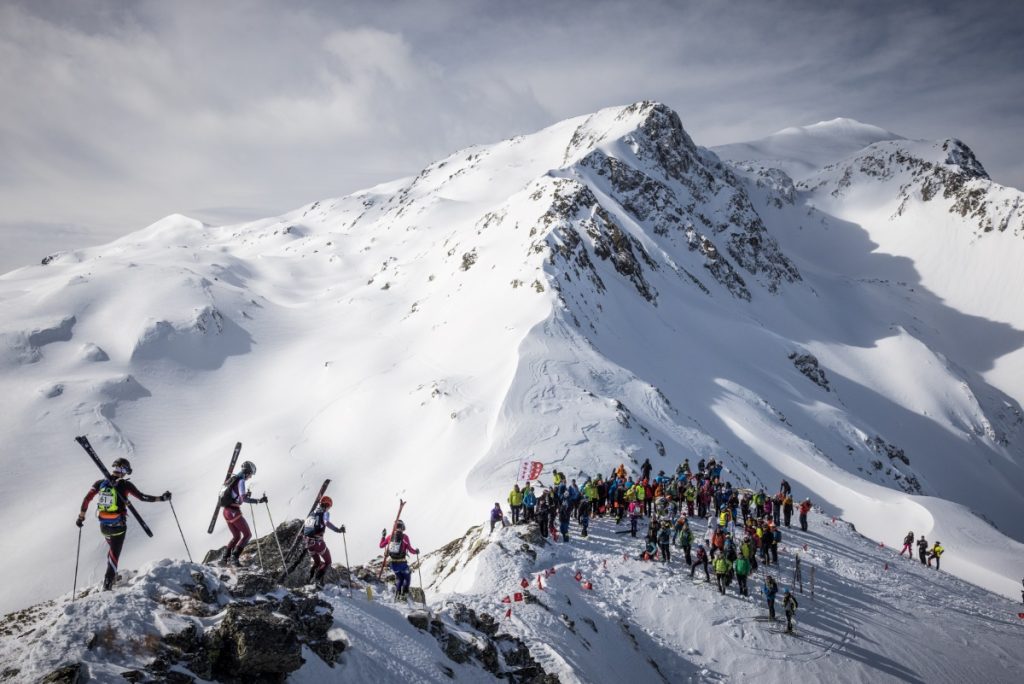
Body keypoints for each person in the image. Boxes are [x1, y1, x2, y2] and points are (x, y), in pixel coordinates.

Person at [77, 457, 170, 591]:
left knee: (111, 551)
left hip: (104, 526)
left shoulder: (100, 483)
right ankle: (107, 585)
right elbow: (142, 497)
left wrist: (81, 517)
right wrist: (161, 498)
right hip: (118, 527)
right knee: (114, 555)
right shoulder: (125, 485)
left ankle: (112, 575)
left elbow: (87, 499)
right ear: (124, 470)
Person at [218, 461, 266, 566]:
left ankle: (225, 558)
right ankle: (234, 559)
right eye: (251, 474)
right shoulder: (241, 481)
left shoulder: (232, 479)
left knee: (236, 536)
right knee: (247, 535)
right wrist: (258, 500)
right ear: (247, 472)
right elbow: (243, 499)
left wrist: (243, 496)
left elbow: (235, 496)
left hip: (226, 511)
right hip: (234, 512)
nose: (250, 477)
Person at [302, 495, 345, 587]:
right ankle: (317, 582)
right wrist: (338, 530)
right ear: (327, 505)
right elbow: (326, 522)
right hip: (318, 543)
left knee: (317, 563)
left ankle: (308, 580)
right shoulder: (325, 513)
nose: (329, 509)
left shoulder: (311, 513)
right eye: (329, 506)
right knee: (328, 562)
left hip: (308, 543)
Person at [380, 520, 419, 599]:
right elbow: (410, 549)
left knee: (400, 579)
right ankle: (404, 596)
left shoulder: (389, 537)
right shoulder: (405, 537)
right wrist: (416, 551)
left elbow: (381, 545)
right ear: (402, 527)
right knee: (407, 578)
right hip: (402, 564)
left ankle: (397, 596)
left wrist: (383, 536)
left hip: (393, 565)